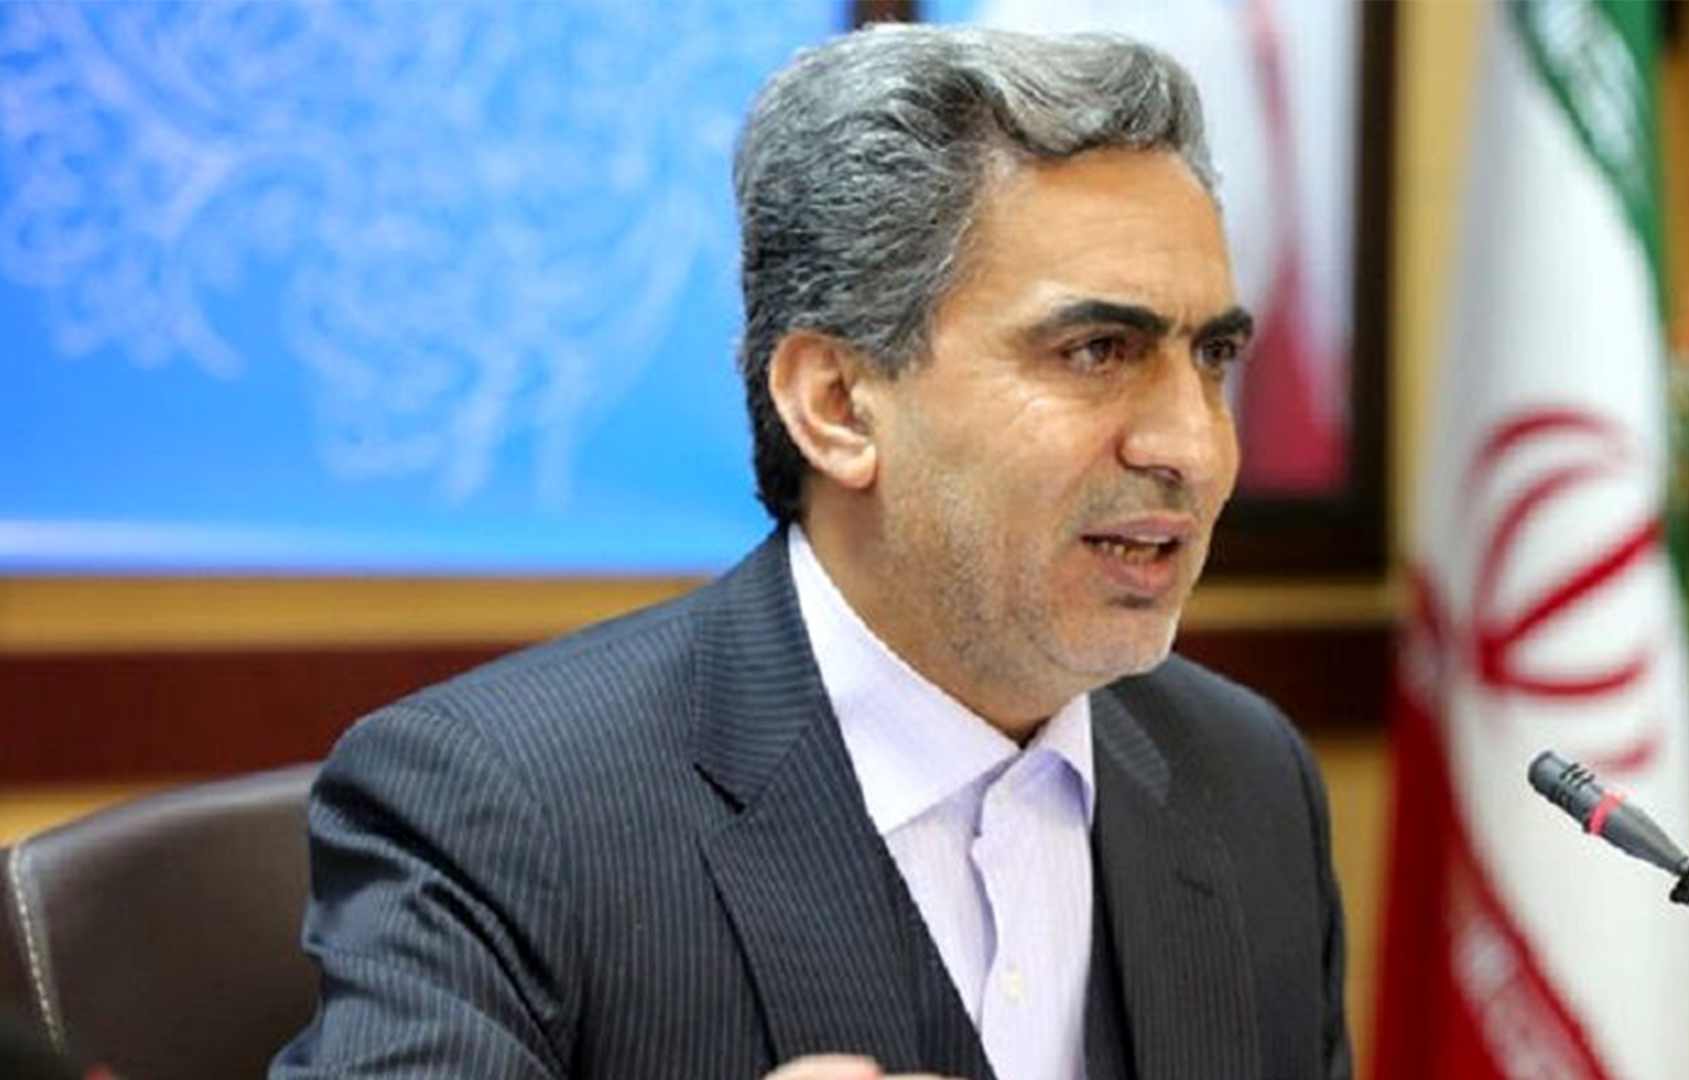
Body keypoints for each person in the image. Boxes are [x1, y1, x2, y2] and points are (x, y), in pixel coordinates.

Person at [271, 23, 1349, 1080]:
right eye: (1097, 351)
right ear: (836, 405)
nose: (1193, 447)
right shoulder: (500, 807)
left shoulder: (1245, 776)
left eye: (1213, 357)